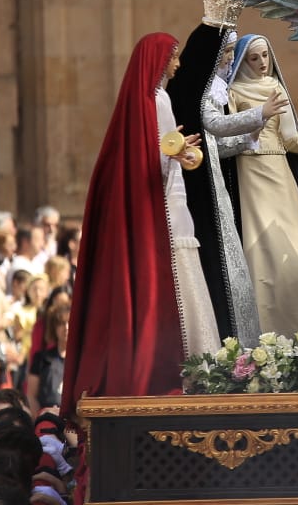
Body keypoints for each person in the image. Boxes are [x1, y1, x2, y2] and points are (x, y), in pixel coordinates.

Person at [62, 33, 221, 412]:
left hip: (164, 200)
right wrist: (180, 153)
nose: (177, 65)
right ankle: (196, 375)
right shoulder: (159, 99)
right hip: (168, 204)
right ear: (157, 61)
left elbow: (145, 157)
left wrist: (175, 153)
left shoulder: (136, 103)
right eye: (173, 58)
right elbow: (162, 155)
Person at [166, 18, 275, 345]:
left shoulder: (209, 89)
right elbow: (212, 125)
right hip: (202, 198)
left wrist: (246, 139)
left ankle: (242, 341)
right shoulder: (192, 91)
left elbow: (217, 145)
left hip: (219, 193)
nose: (230, 57)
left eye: (230, 51)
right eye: (225, 51)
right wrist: (259, 114)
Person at [229, 34, 298, 335]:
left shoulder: (275, 87)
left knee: (293, 244)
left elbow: (290, 138)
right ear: (242, 61)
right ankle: (262, 329)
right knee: (261, 245)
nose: (262, 63)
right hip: (249, 172)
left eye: (265, 56)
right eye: (254, 58)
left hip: (277, 170)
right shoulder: (233, 91)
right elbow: (227, 133)